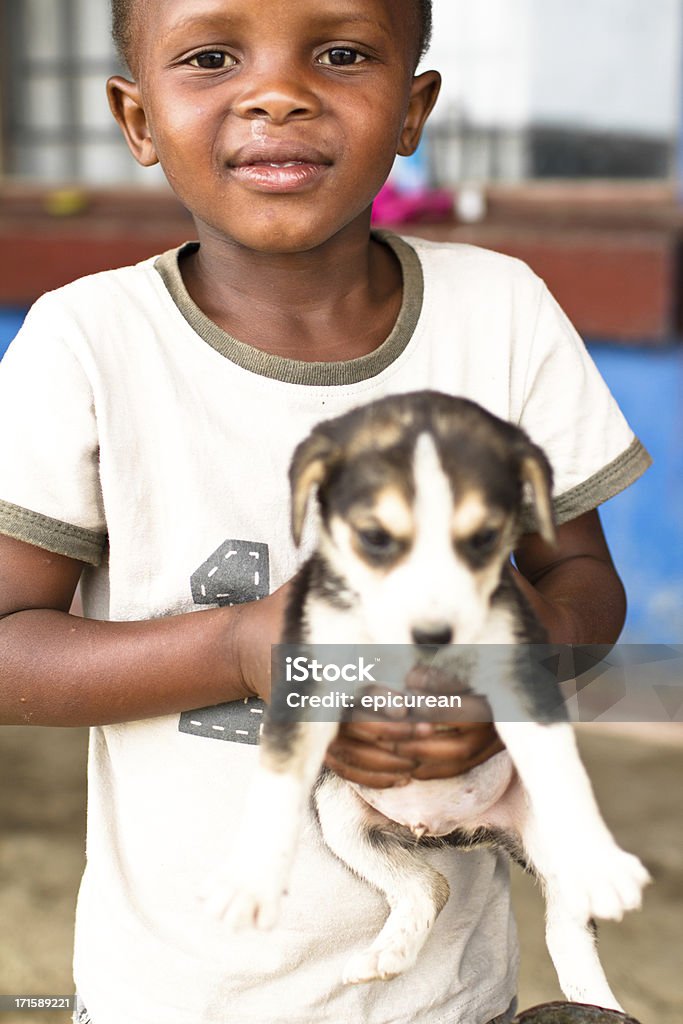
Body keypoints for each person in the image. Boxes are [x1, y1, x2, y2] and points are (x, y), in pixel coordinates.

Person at [0, 1, 650, 1022]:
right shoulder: (86, 344)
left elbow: (580, 582)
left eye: (341, 53)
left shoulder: (500, 311)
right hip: (171, 998)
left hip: (451, 1000)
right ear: (136, 118)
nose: (277, 93)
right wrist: (243, 647)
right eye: (211, 57)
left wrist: (502, 675)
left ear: (411, 108)